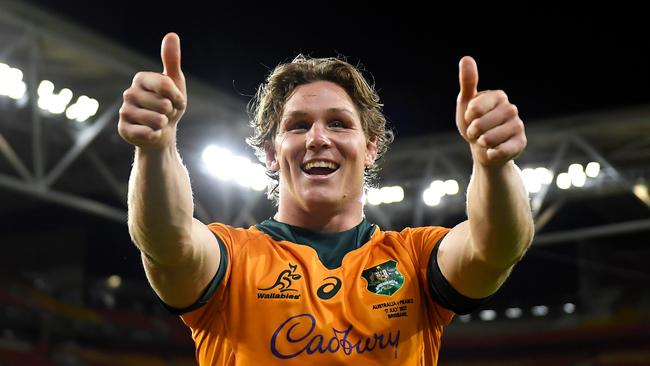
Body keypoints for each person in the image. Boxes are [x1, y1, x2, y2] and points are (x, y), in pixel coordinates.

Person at [118, 32, 534, 365]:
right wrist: (156, 149)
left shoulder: (414, 259)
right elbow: (165, 241)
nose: (318, 138)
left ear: (370, 147)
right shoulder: (233, 260)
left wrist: (495, 165)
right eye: (298, 126)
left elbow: (496, 246)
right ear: (270, 152)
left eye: (338, 123)